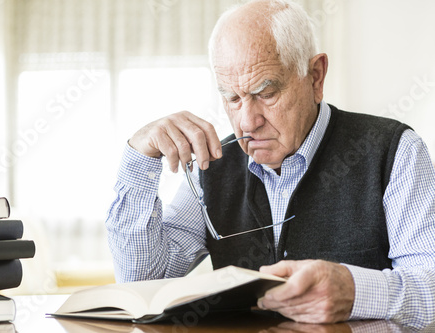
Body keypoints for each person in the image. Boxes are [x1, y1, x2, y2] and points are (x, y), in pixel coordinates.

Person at [105, 0, 435, 327]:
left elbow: (430, 290)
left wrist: (355, 291)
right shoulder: (213, 164)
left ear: (315, 77)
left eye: (266, 93)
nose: (247, 123)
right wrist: (140, 158)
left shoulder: (395, 151)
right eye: (233, 98)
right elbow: (142, 282)